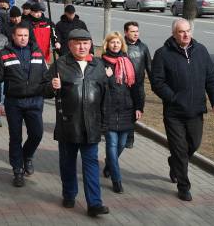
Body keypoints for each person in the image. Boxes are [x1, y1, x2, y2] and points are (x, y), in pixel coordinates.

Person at [150, 18, 214, 201]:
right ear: (174, 34)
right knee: (180, 149)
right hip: (174, 113)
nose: (186, 34)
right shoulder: (162, 54)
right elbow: (157, 82)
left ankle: (174, 162)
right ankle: (183, 186)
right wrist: (173, 98)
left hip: (196, 110)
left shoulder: (201, 51)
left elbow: (211, 78)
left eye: (188, 30)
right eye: (181, 32)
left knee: (194, 144)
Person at [48, 29, 109, 218]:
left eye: (85, 43)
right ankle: (69, 194)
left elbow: (105, 96)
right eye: (77, 43)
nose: (82, 47)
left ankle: (94, 203)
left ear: (91, 44)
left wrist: (104, 124)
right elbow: (43, 90)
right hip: (69, 124)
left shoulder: (98, 65)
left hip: (91, 125)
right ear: (69, 45)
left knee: (91, 164)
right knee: (67, 163)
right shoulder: (60, 64)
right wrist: (51, 86)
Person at [0, 23, 50, 187]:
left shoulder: (38, 53)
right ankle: (17, 170)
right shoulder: (4, 54)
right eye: (19, 35)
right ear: (13, 36)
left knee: (37, 134)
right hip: (14, 102)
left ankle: (27, 156)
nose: (23, 38)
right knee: (15, 137)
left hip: (35, 101)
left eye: (25, 35)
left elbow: (46, 76)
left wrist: (51, 88)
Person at [100, 32, 144, 194]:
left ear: (122, 45)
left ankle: (109, 164)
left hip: (127, 109)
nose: (115, 45)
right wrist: (105, 77)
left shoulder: (128, 62)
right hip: (109, 110)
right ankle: (116, 180)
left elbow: (137, 87)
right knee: (111, 144)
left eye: (118, 42)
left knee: (122, 144)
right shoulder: (101, 63)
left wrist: (139, 107)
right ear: (107, 44)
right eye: (112, 42)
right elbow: (96, 86)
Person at [123, 21, 151, 148]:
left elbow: (150, 67)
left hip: (138, 86)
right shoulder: (121, 46)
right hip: (122, 86)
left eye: (137, 31)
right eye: (133, 31)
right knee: (124, 111)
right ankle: (128, 137)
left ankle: (128, 134)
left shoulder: (143, 47)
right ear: (126, 32)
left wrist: (156, 84)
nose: (135, 34)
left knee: (136, 111)